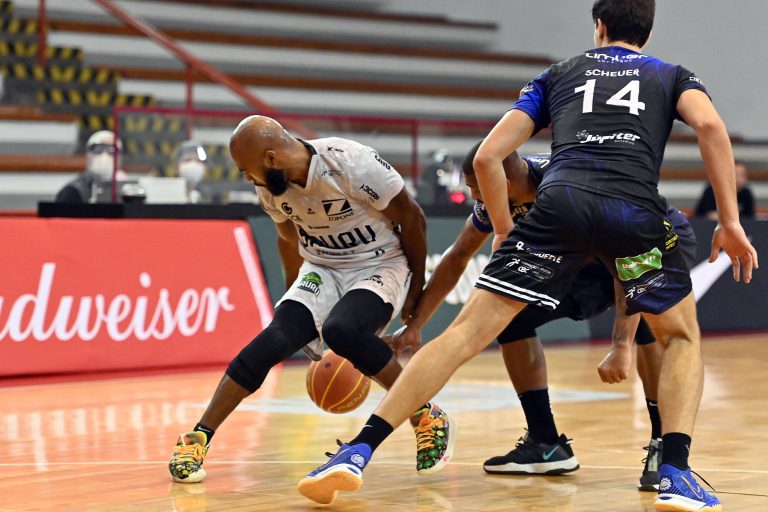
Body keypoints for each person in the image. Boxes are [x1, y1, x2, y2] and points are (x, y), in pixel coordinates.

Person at [299, 2, 758, 511]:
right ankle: (674, 472)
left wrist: (503, 230)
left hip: (559, 208)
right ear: (646, 34)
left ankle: (358, 451)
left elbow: (487, 156)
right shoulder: (672, 75)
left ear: (599, 27)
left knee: (462, 336)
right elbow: (711, 128)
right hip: (632, 213)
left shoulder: (559, 74)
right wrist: (731, 222)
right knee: (680, 336)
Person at [388, 141, 696, 491]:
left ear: (501, 180)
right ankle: (546, 443)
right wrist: (416, 324)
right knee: (512, 319)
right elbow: (459, 255)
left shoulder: (566, 186)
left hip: (652, 243)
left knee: (647, 316)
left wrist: (620, 344)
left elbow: (627, 264)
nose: (473, 196)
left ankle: (662, 443)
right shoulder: (496, 201)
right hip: (584, 261)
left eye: (476, 187)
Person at [168, 115, 454, 486]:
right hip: (322, 266)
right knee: (274, 339)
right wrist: (296, 302)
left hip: (379, 263)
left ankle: (425, 414)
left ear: (271, 159)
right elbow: (288, 239)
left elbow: (413, 218)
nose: (247, 178)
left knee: (342, 331)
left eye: (245, 170)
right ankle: (198, 437)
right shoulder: (270, 188)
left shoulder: (351, 162)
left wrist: (415, 289)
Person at [55, 130, 125, 203]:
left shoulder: (125, 190)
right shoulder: (72, 191)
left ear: (120, 159)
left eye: (111, 151)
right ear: (88, 156)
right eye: (98, 149)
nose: (104, 156)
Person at [176, 140, 208, 204]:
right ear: (177, 166)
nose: (193, 164)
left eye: (198, 160)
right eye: (188, 160)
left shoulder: (210, 196)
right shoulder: (170, 194)